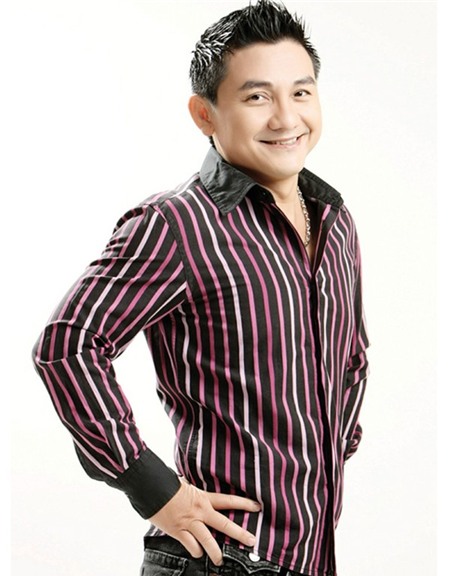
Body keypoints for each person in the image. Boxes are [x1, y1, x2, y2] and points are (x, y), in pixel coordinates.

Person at [32, 1, 369, 575]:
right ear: (204, 114)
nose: (286, 118)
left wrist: (326, 455)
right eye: (257, 97)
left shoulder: (335, 221)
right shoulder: (178, 224)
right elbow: (68, 346)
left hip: (311, 556)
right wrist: (151, 486)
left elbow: (351, 358)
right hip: (218, 560)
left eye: (301, 92)